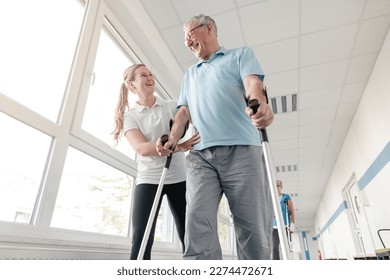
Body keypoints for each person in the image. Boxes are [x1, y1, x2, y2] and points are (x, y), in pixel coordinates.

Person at [157, 14, 274, 260]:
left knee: (252, 228)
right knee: (197, 224)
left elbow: (253, 84)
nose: (187, 42)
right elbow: (183, 113)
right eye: (185, 39)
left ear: (208, 28)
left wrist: (258, 103)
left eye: (190, 34)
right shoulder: (190, 74)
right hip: (201, 157)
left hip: (242, 150)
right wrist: (172, 139)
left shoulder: (240, 55)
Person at [112, 64, 200, 260]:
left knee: (190, 235)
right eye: (143, 75)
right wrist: (180, 147)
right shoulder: (131, 116)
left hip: (178, 178)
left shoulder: (171, 106)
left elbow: (191, 119)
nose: (150, 77)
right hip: (148, 180)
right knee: (141, 238)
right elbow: (141, 148)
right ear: (131, 84)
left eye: (151, 73)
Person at [272, 179, 296, 260]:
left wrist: (292, 226)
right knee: (274, 248)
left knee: (285, 247)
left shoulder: (286, 197)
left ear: (281, 187)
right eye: (274, 185)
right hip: (274, 227)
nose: (276, 187)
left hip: (284, 226)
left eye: (278, 185)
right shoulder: (271, 198)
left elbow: (292, 212)